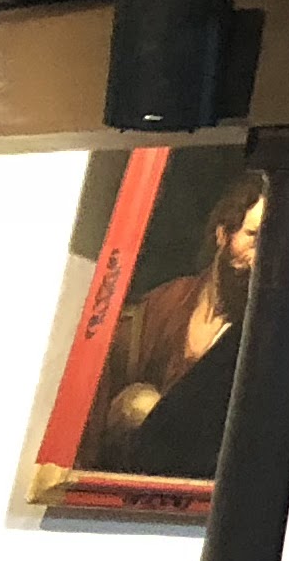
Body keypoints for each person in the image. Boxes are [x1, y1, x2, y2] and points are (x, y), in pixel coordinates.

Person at [83, 169, 264, 477]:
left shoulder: (257, 330)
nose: (259, 258)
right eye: (253, 237)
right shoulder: (166, 303)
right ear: (223, 234)